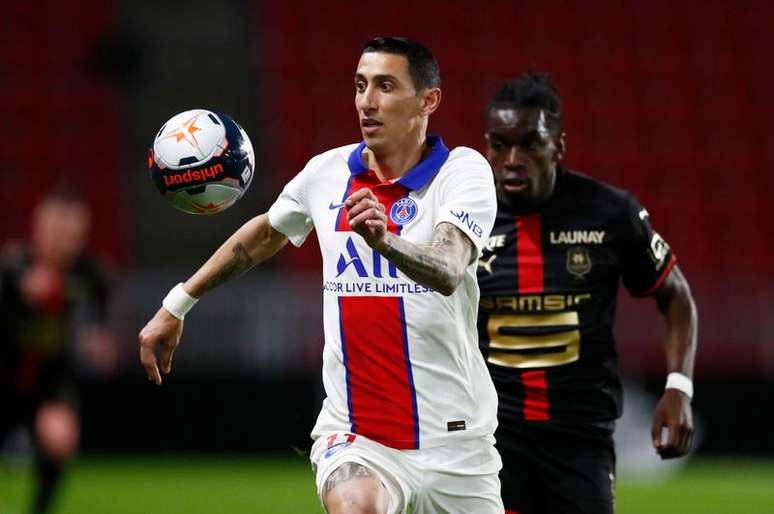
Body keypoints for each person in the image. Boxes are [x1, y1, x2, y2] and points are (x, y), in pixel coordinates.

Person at [139, 37, 503, 514]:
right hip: (358, 436)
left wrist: (385, 241)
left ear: (428, 100)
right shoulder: (326, 173)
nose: (367, 102)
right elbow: (266, 234)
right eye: (359, 86)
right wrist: (177, 303)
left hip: (456, 441)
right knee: (356, 505)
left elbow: (450, 267)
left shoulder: (463, 172)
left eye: (386, 86)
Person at [477, 73, 698, 514]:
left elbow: (675, 296)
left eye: (530, 144)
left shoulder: (610, 213)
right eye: (500, 145)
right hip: (492, 440)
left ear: (558, 146)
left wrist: (678, 387)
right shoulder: (464, 219)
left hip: (581, 438)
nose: (512, 160)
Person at [0, 188, 113, 514]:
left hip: (50, 376)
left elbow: (97, 317)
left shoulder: (90, 274)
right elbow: (27, 285)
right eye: (57, 230)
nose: (64, 240)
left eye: (73, 233)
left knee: (60, 436)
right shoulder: (14, 263)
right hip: (5, 372)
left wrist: (98, 338)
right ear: (39, 227)